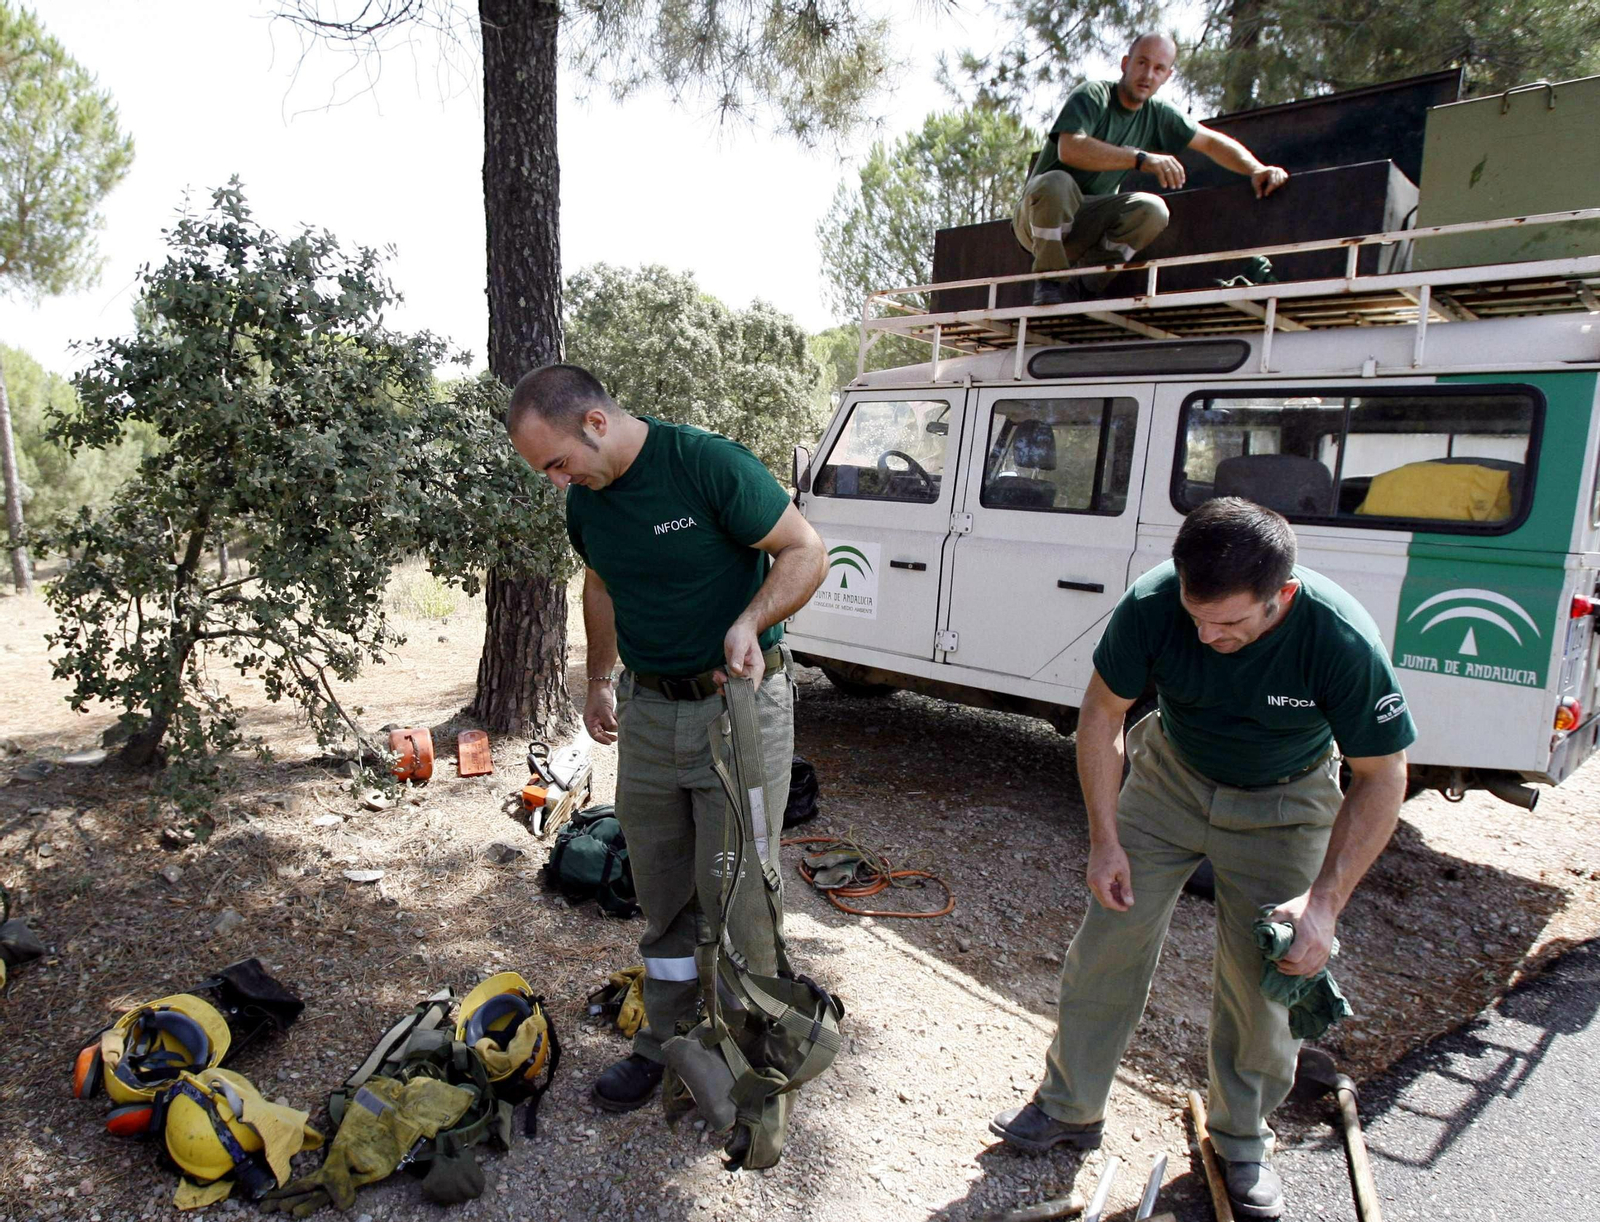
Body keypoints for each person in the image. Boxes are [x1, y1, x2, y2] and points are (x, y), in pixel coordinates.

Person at [990, 498, 1415, 1221]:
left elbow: (1382, 776)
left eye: (1232, 624)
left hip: (1286, 798)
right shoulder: (1155, 602)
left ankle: (1240, 1140)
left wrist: (1324, 905)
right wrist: (1105, 841)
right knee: (1108, 941)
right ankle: (1069, 1107)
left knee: (1268, 976)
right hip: (1169, 779)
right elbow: (1101, 716)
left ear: (1281, 596)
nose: (1209, 636)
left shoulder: (1338, 638)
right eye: (1199, 619)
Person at [505, 364, 827, 1114]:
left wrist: (749, 621)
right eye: (543, 472)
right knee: (663, 892)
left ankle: (752, 1057)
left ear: (595, 422)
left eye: (557, 462)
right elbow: (600, 582)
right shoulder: (586, 502)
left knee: (742, 896)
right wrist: (596, 679)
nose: (557, 482)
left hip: (736, 707)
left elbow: (806, 550)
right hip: (648, 711)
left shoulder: (703, 463)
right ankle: (668, 1043)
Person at [1014, 33, 1290, 305]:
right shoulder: (1093, 95)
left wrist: (1256, 169)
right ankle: (1049, 280)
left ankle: (1088, 284)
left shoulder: (1158, 113)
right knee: (1056, 183)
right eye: (1142, 63)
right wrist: (1139, 159)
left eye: (1158, 68)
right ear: (1126, 63)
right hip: (1039, 222)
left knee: (1152, 209)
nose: (1148, 75)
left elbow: (1210, 142)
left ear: (1168, 75)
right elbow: (1070, 148)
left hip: (1087, 223)